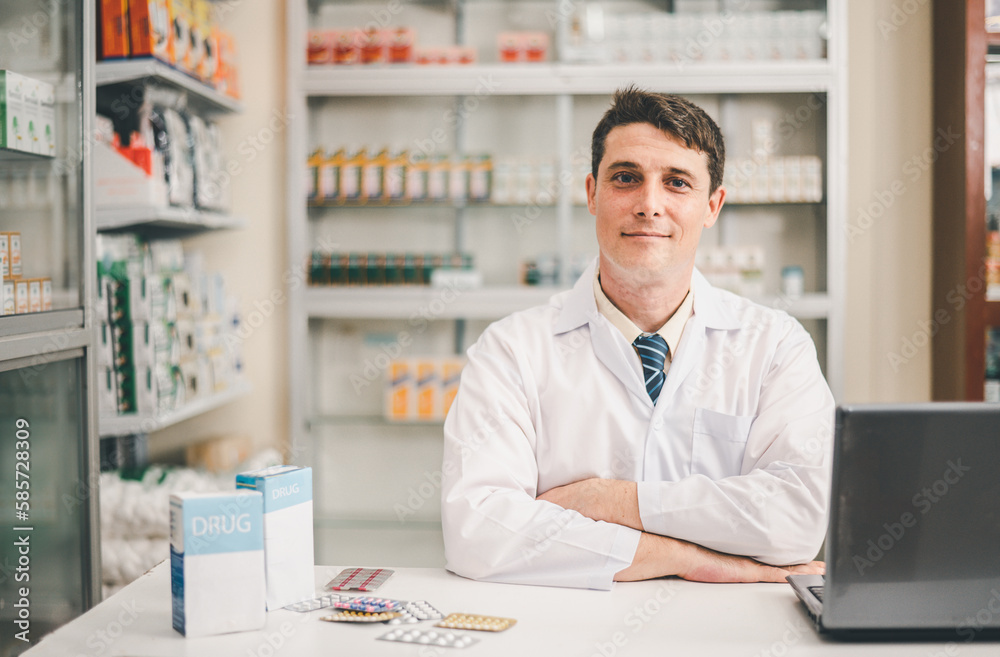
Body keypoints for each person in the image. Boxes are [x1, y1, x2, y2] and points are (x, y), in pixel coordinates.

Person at [440, 87, 834, 590]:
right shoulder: (513, 349)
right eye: (626, 178)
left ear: (712, 205)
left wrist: (609, 501)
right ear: (592, 193)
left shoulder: (775, 345)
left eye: (677, 183)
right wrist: (686, 558)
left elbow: (795, 522)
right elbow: (479, 532)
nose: (650, 205)